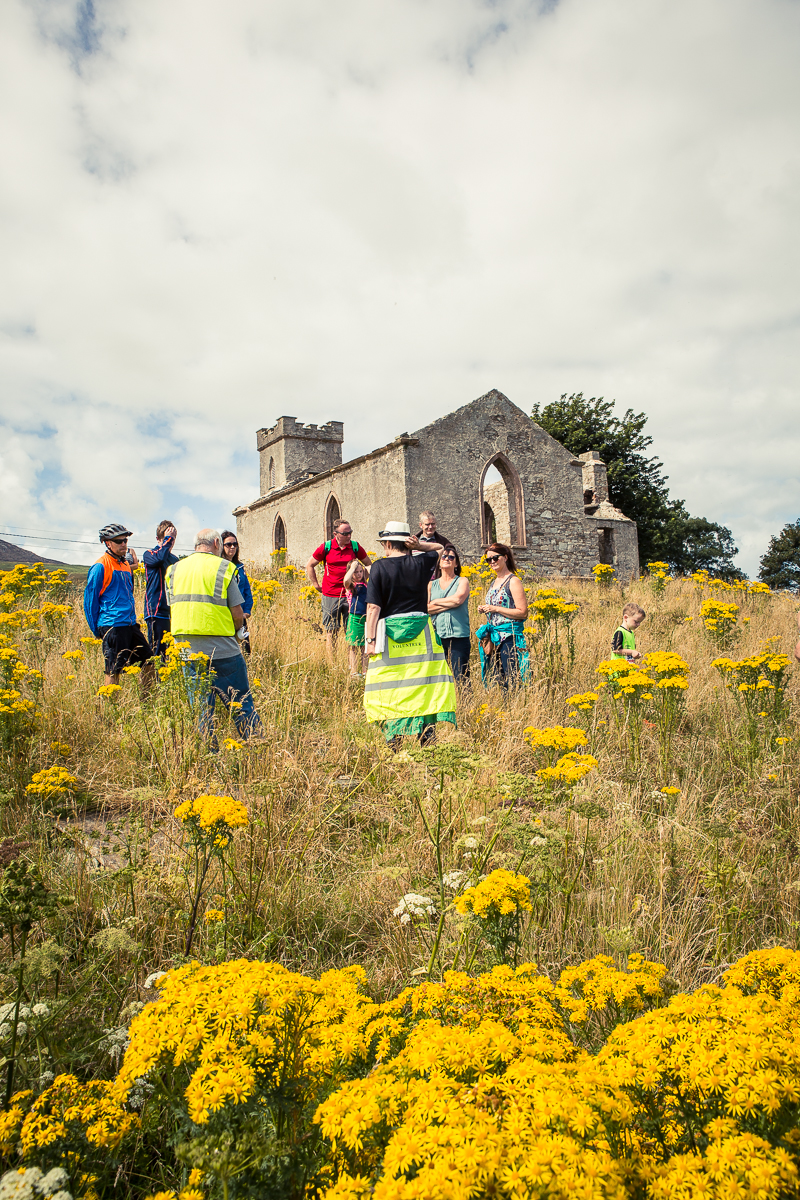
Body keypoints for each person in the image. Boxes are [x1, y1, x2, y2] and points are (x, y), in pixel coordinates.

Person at [363, 521, 454, 749]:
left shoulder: (379, 567)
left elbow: (373, 608)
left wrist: (370, 641)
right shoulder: (422, 562)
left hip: (388, 635)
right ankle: (427, 736)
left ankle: (394, 740)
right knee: (423, 684)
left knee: (390, 687)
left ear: (387, 544)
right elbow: (439, 549)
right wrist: (419, 546)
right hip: (422, 632)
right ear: (407, 542)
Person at [166, 528, 261, 744]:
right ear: (217, 543)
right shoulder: (223, 568)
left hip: (187, 650)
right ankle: (256, 745)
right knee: (240, 701)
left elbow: (174, 605)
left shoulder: (174, 569)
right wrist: (238, 633)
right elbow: (237, 613)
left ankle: (209, 753)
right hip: (222, 649)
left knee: (201, 708)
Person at [83, 523, 156, 692]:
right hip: (112, 625)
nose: (123, 544)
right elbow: (90, 601)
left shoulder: (125, 565)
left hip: (130, 624)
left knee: (149, 662)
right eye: (118, 541)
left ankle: (146, 701)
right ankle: (111, 706)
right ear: (108, 543)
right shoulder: (100, 566)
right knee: (114, 670)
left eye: (125, 540)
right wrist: (96, 630)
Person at [305, 519, 370, 653]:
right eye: (345, 534)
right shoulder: (326, 547)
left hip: (351, 596)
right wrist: (316, 584)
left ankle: (350, 662)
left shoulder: (355, 547)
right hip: (330, 595)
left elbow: (369, 564)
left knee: (350, 631)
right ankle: (333, 663)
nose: (349, 536)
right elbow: (310, 565)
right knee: (331, 631)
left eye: (350, 532)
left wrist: (361, 581)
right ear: (335, 534)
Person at [475, 542, 529, 688]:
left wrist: (495, 609)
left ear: (505, 557)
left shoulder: (513, 581)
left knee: (512, 678)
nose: (492, 562)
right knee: (499, 679)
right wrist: (485, 609)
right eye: (488, 559)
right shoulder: (494, 582)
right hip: (495, 637)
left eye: (495, 558)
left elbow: (522, 612)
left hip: (509, 637)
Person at [428, 545, 471, 682]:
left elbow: (458, 599)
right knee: (439, 678)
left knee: (461, 677)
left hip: (458, 636)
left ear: (456, 563)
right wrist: (450, 603)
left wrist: (436, 602)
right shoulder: (431, 585)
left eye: (451, 557)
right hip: (438, 637)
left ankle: (463, 697)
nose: (447, 559)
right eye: (444, 556)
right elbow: (426, 608)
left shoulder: (462, 581)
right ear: (439, 563)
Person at [143, 520, 178, 661]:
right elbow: (159, 559)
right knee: (157, 653)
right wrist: (168, 540)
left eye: (173, 539)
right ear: (158, 539)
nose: (171, 542)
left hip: (172, 611)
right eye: (167, 538)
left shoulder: (174, 559)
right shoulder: (149, 554)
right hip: (156, 611)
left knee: (171, 653)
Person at [221, 530, 253, 655]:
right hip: (225, 616)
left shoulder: (239, 567)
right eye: (228, 544)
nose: (232, 547)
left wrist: (247, 611)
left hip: (240, 614)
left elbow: (246, 590)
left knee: (245, 650)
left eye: (235, 544)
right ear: (221, 546)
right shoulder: (219, 567)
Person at [344, 559, 370, 676]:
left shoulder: (366, 584)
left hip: (366, 618)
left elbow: (370, 569)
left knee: (364, 646)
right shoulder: (351, 586)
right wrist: (352, 568)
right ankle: (354, 671)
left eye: (360, 571)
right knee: (353, 646)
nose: (359, 574)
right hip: (354, 618)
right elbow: (346, 580)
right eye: (356, 572)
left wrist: (365, 568)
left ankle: (365, 671)